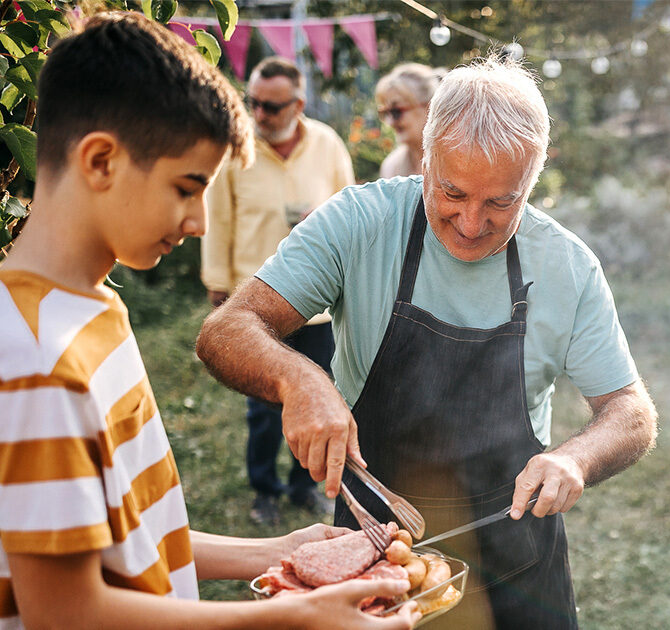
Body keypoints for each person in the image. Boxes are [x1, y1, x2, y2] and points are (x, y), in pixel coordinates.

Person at [196, 55, 658, 629]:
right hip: (376, 549)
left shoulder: (566, 265)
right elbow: (227, 329)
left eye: (500, 202)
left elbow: (630, 412)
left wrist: (575, 458)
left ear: (533, 182)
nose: (469, 223)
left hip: (515, 561)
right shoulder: (359, 223)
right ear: (427, 155)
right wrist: (301, 379)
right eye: (452, 192)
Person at [0, 12, 419, 629]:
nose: (198, 221)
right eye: (185, 187)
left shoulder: (95, 310)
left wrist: (279, 552)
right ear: (100, 161)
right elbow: (66, 611)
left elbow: (134, 538)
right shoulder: (33, 354)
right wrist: (289, 619)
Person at [201, 56, 356, 525]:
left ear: (298, 104)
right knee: (264, 409)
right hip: (256, 303)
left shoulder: (327, 144)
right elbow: (217, 219)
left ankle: (305, 486)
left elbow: (352, 206)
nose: (259, 114)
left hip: (319, 303)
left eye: (270, 106)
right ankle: (264, 490)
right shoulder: (237, 148)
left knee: (320, 394)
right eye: (254, 103)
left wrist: (325, 221)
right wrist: (218, 283)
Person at [374, 62, 441, 179]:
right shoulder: (391, 167)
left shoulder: (454, 162)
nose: (390, 122)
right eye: (385, 112)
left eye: (396, 111)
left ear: (429, 107)